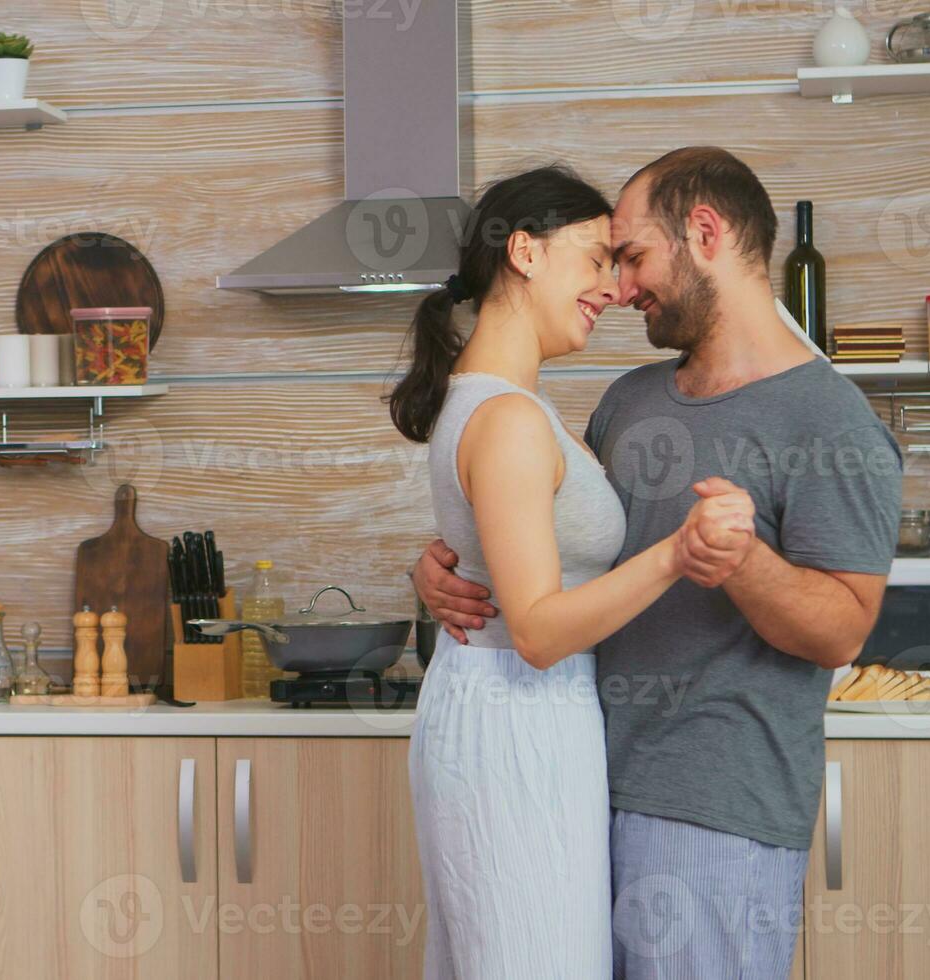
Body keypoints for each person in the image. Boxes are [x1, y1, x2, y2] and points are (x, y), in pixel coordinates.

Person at [413, 147, 903, 978]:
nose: (622, 286)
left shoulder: (831, 421)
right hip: (574, 779)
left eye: (632, 256)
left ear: (704, 234)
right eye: (606, 262)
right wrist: (442, 574)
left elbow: (841, 632)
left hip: (708, 808)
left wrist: (740, 559)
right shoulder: (628, 402)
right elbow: (558, 545)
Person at [387, 164, 758, 979]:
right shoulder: (510, 416)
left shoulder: (506, 404)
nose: (616, 288)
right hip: (516, 724)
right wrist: (678, 553)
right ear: (524, 251)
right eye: (596, 259)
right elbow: (539, 632)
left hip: (515, 719)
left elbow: (496, 548)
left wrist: (435, 565)